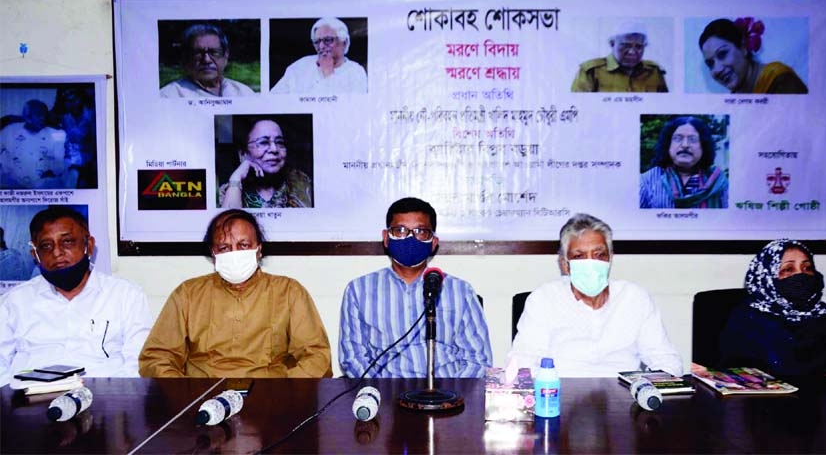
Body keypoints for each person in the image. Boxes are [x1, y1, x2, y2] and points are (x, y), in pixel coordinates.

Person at [139, 209, 331, 377]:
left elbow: (317, 357)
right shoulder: (188, 294)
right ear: (213, 255)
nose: (234, 254)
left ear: (259, 250)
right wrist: (184, 394)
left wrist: (284, 392)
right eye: (224, 248)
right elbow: (157, 358)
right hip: (202, 397)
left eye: (243, 245)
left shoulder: (289, 292)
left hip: (270, 398)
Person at [509, 213, 682, 377]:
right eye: (580, 256)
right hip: (560, 396)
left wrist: (651, 389)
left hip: (625, 398)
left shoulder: (634, 298)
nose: (591, 263)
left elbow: (666, 361)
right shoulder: (543, 299)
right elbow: (522, 362)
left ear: (610, 258)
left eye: (599, 255)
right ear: (565, 264)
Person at [338, 197, 492, 378]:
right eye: (400, 230)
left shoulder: (460, 291)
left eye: (420, 231)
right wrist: (384, 394)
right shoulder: (358, 291)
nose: (410, 238)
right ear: (386, 238)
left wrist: (449, 395)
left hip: (447, 395)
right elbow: (353, 358)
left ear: (434, 242)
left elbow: (478, 360)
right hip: (386, 396)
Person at [0, 206, 152, 386]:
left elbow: (137, 364)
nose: (57, 253)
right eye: (46, 246)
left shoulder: (126, 296)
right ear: (35, 254)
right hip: (28, 401)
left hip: (103, 400)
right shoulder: (14, 302)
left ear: (89, 245)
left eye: (67, 242)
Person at [718, 239, 826, 376]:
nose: (800, 275)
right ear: (767, 278)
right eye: (788, 269)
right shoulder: (747, 321)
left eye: (807, 268)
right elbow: (737, 377)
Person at [218, 118, 313, 208]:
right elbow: (228, 222)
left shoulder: (303, 184)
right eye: (263, 142)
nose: (274, 149)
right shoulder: (227, 191)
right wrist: (236, 178)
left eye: (280, 142)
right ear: (243, 153)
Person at [698, 18, 807, 94]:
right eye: (710, 64)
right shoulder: (735, 98)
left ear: (743, 47)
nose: (717, 70)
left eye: (722, 54)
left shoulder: (779, 78)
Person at [639, 116, 728, 209]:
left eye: (692, 139)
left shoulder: (719, 182)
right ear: (668, 144)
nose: (685, 145)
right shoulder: (647, 181)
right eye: (678, 138)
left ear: (703, 146)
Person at [271, 17, 368, 94]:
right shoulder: (299, 66)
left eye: (328, 40)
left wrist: (328, 73)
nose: (321, 46)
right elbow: (274, 99)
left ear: (344, 42)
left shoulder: (356, 72)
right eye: (317, 41)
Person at [159, 23, 255, 98]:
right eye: (198, 53)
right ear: (186, 58)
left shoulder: (243, 92)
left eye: (214, 52)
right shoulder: (169, 95)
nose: (206, 60)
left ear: (226, 55)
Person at [571, 21, 668, 93]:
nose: (632, 52)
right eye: (626, 45)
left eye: (639, 46)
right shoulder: (591, 71)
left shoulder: (654, 72)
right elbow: (580, 107)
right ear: (612, 44)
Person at [0, 99, 71, 189]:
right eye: (38, 115)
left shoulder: (56, 134)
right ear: (27, 117)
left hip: (41, 184)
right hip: (11, 182)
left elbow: (59, 163)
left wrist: (52, 170)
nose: (43, 118)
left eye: (45, 115)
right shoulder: (10, 130)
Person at [49, 86, 97, 189]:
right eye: (66, 98)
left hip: (88, 160)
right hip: (68, 160)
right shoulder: (63, 114)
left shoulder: (92, 113)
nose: (70, 100)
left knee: (77, 176)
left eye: (73, 96)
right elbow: (41, 116)